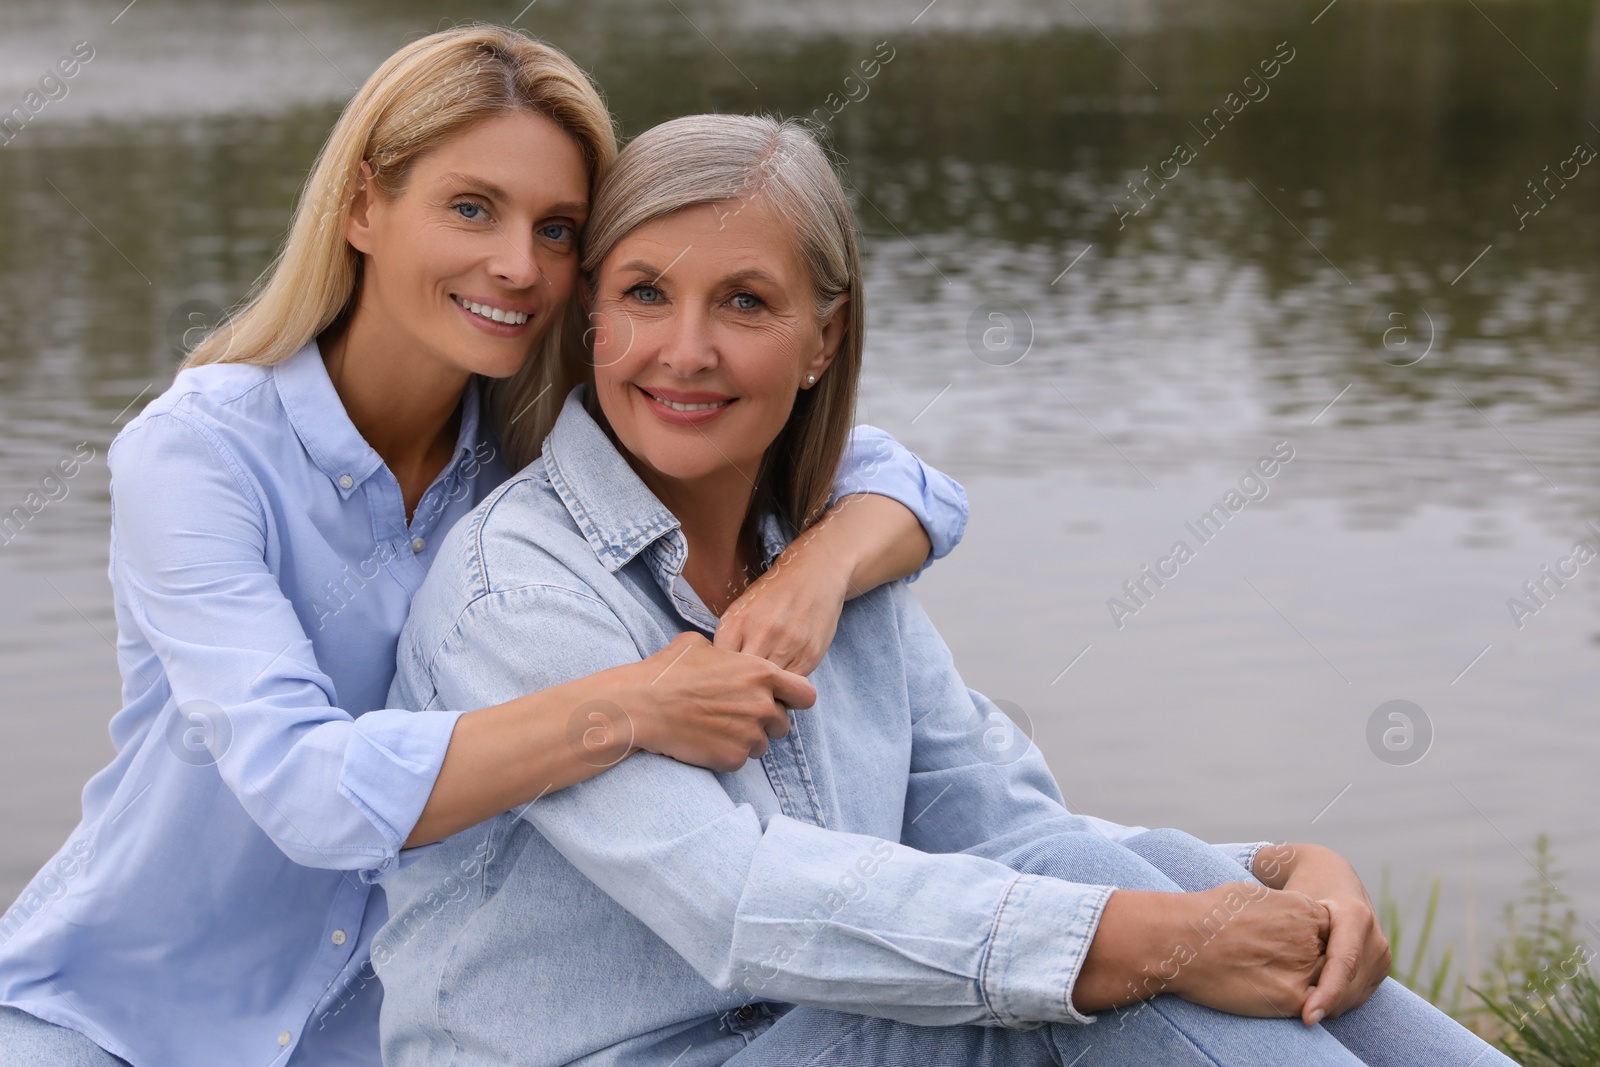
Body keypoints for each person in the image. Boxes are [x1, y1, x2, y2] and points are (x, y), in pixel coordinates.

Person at [375, 113, 1516, 1066]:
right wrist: (1161, 937)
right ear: (590, 318)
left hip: (806, 1030)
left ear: (823, 340)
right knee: (1084, 968)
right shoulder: (516, 589)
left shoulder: (835, 563)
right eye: (643, 294)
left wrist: (1273, 881)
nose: (684, 350)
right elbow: (739, 900)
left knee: (1114, 887)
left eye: (745, 303)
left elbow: (1014, 828)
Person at [0, 29, 969, 1067]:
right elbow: (304, 786)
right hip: (117, 1019)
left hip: (382, 1036)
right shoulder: (197, 454)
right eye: (471, 209)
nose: (517, 266)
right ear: (363, 205)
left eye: (557, 230)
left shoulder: (538, 450)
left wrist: (818, 571)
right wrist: (627, 706)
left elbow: (882, 472)